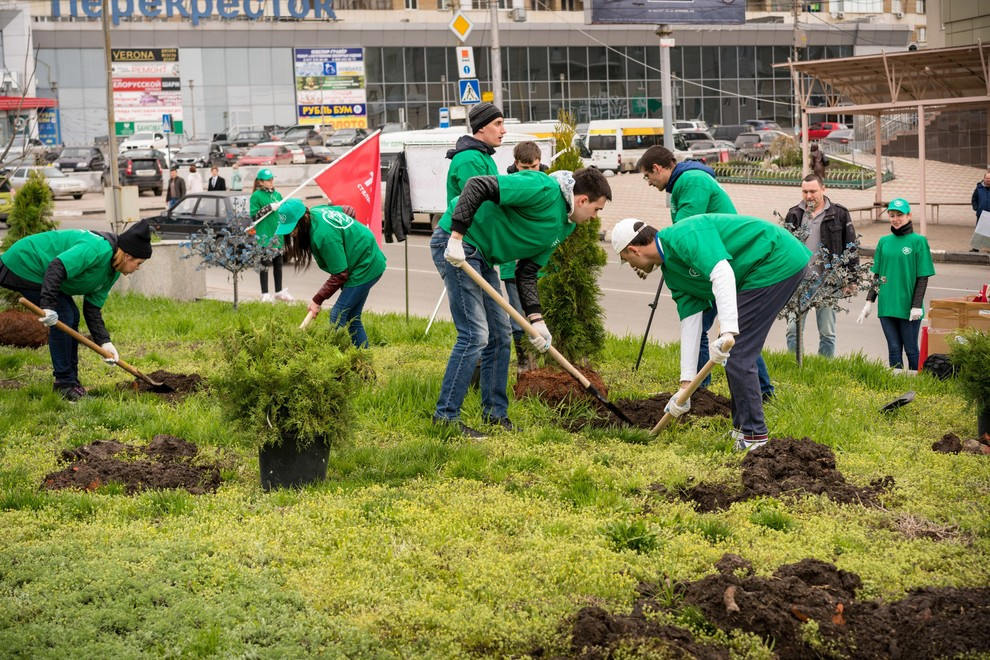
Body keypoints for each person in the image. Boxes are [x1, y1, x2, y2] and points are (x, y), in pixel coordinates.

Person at [432, 167, 612, 438]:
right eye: (597, 209)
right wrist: (456, 238)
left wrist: (538, 322)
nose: (596, 217)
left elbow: (527, 272)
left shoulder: (566, 225)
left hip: (483, 256)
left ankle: (495, 415)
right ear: (582, 200)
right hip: (459, 244)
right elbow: (478, 185)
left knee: (501, 336)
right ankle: (445, 418)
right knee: (475, 335)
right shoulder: (542, 188)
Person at [611, 214, 811, 452]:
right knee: (735, 353)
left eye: (627, 260)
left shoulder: (683, 236)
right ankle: (741, 429)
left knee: (738, 353)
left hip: (775, 258)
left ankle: (755, 437)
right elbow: (690, 322)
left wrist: (728, 331)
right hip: (754, 273)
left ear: (634, 250)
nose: (632, 267)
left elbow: (722, 272)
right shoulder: (672, 272)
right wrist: (685, 385)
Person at [637, 144, 774, 400]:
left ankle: (702, 392)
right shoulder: (684, 182)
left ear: (657, 168)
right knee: (722, 329)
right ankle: (742, 390)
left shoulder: (692, 181)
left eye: (648, 176)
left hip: (718, 263)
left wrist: (667, 256)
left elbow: (688, 230)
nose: (648, 182)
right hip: (708, 262)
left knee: (718, 328)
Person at [0, 220, 153, 400]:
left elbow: (92, 308)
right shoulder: (97, 248)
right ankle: (64, 384)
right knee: (64, 315)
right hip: (27, 261)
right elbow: (57, 266)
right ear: (128, 256)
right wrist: (48, 306)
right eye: (139, 263)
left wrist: (104, 341)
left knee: (72, 315)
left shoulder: (112, 272)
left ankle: (71, 382)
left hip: (44, 271)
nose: (138, 268)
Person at [275, 200, 386, 348]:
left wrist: (317, 300)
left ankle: (337, 362)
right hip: (361, 260)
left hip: (365, 265)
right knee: (352, 317)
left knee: (338, 315)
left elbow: (340, 274)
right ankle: (364, 364)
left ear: (304, 219)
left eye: (293, 228)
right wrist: (347, 220)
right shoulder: (315, 211)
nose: (292, 234)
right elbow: (345, 208)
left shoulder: (323, 235)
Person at [783, 174, 858, 358]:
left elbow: (851, 247)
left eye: (813, 191)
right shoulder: (794, 214)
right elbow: (783, 250)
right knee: (793, 330)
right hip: (798, 284)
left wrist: (851, 279)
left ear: (823, 189)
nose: (809, 196)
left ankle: (823, 368)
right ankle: (795, 366)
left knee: (827, 333)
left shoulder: (839, 214)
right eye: (805, 191)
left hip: (827, 283)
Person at [856, 199, 935, 372]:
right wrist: (869, 302)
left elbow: (922, 277)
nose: (895, 219)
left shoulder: (918, 241)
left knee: (911, 350)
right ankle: (897, 385)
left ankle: (917, 385)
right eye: (892, 215)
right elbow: (877, 275)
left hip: (908, 307)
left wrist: (916, 306)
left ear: (909, 216)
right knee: (893, 349)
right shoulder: (884, 242)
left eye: (900, 215)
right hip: (887, 306)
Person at [501, 140, 547, 374]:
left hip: (540, 266)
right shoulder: (508, 185)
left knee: (542, 318)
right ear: (515, 164)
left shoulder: (548, 185)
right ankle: (524, 368)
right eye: (524, 168)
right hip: (512, 266)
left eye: (535, 167)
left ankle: (543, 367)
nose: (530, 173)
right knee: (519, 320)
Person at [445, 101, 505, 202]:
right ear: (481, 127)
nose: (503, 130)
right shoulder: (470, 159)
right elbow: (482, 207)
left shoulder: (482, 155)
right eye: (497, 124)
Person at [249, 168, 293, 303]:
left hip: (277, 234)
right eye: (268, 180)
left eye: (272, 179)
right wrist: (268, 208)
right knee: (264, 264)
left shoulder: (277, 194)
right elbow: (254, 216)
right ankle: (265, 293)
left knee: (278, 264)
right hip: (264, 235)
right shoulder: (256, 196)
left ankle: (279, 291)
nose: (271, 182)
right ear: (261, 182)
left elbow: (282, 213)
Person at [970, 170, 990, 252]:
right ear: (984, 179)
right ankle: (976, 248)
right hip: (981, 213)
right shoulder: (979, 188)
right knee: (978, 231)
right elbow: (974, 199)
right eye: (987, 178)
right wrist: (976, 208)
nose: (988, 179)